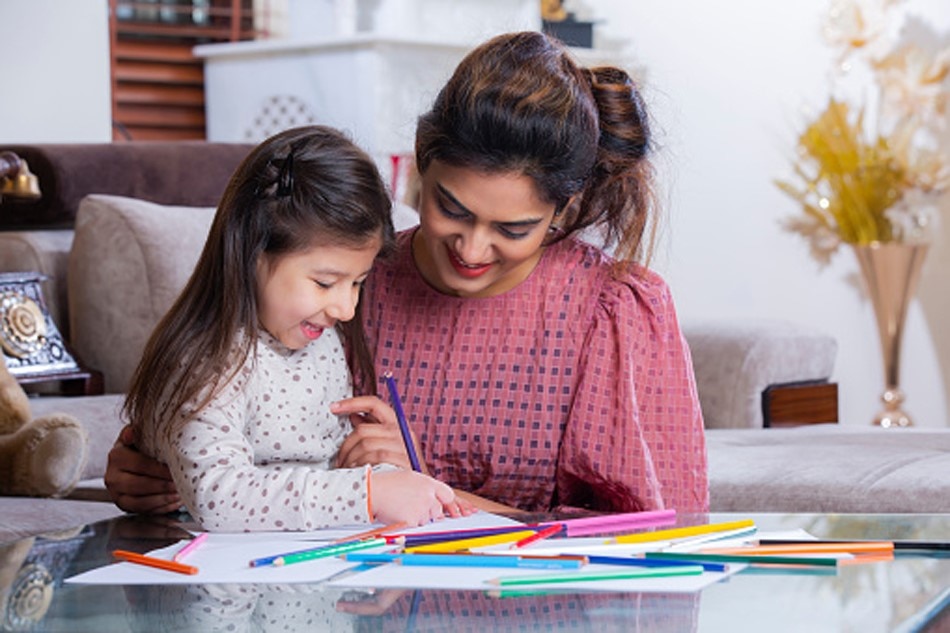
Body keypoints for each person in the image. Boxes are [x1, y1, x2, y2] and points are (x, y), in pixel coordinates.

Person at [106, 31, 709, 516]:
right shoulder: (352, 278)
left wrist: (418, 488)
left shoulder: (613, 313)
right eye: (452, 207)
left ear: (565, 208)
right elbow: (239, 426)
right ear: (420, 158)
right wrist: (156, 470)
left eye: (514, 230)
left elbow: (653, 538)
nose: (472, 248)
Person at [120, 125, 467, 531]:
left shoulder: (321, 342)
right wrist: (367, 493)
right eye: (324, 283)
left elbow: (323, 468)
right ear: (252, 254)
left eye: (358, 283)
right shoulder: (211, 359)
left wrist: (388, 473)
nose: (346, 308)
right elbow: (217, 495)